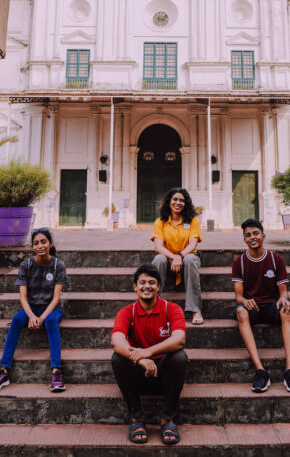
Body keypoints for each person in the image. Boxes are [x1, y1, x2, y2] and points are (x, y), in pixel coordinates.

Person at [111, 263, 188, 445]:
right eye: (142, 282)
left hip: (164, 375)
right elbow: (117, 341)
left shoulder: (172, 309)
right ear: (135, 287)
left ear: (158, 287)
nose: (147, 286)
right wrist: (141, 360)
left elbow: (180, 339)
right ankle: (137, 419)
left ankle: (167, 419)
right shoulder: (126, 312)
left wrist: (148, 352)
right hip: (138, 374)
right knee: (118, 359)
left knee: (179, 357)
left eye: (152, 282)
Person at [0, 228, 67, 393]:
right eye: (36, 243)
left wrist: (41, 318)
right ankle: (4, 371)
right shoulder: (26, 265)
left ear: (50, 244)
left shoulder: (58, 265)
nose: (40, 246)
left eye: (43, 242)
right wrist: (31, 316)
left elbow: (56, 298)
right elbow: (22, 297)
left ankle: (56, 372)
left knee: (51, 321)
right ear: (32, 247)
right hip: (31, 308)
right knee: (16, 320)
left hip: (52, 309)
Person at [232, 218, 290, 394]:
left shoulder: (276, 259)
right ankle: (260, 371)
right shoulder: (239, 262)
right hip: (252, 307)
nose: (252, 237)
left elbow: (283, 291)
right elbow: (238, 296)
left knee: (286, 310)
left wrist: (284, 299)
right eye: (248, 235)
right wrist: (245, 301)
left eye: (255, 233)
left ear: (263, 236)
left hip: (271, 305)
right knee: (241, 312)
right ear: (244, 239)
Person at [151, 187, 204, 325]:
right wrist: (175, 257)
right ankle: (153, 305)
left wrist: (180, 256)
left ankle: (195, 310)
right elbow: (158, 247)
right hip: (169, 259)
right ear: (169, 202)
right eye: (175, 199)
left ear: (186, 204)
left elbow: (193, 245)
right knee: (159, 259)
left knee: (191, 259)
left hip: (187, 257)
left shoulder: (193, 220)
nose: (178, 203)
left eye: (182, 200)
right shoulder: (160, 221)